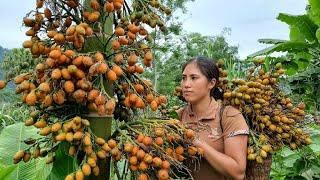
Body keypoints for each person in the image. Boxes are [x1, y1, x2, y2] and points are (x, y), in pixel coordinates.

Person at [177, 56, 249, 180]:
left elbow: (237, 172)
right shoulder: (178, 116)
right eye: (184, 78)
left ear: (211, 83)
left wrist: (198, 143)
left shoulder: (229, 116)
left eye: (194, 78)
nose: (186, 84)